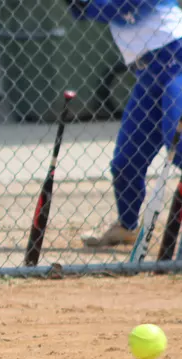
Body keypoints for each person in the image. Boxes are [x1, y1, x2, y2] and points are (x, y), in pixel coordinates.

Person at [64, 0, 182, 247]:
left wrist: (89, 5)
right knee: (125, 162)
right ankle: (127, 226)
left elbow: (126, 7)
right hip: (146, 75)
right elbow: (83, 10)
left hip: (176, 59)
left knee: (178, 143)